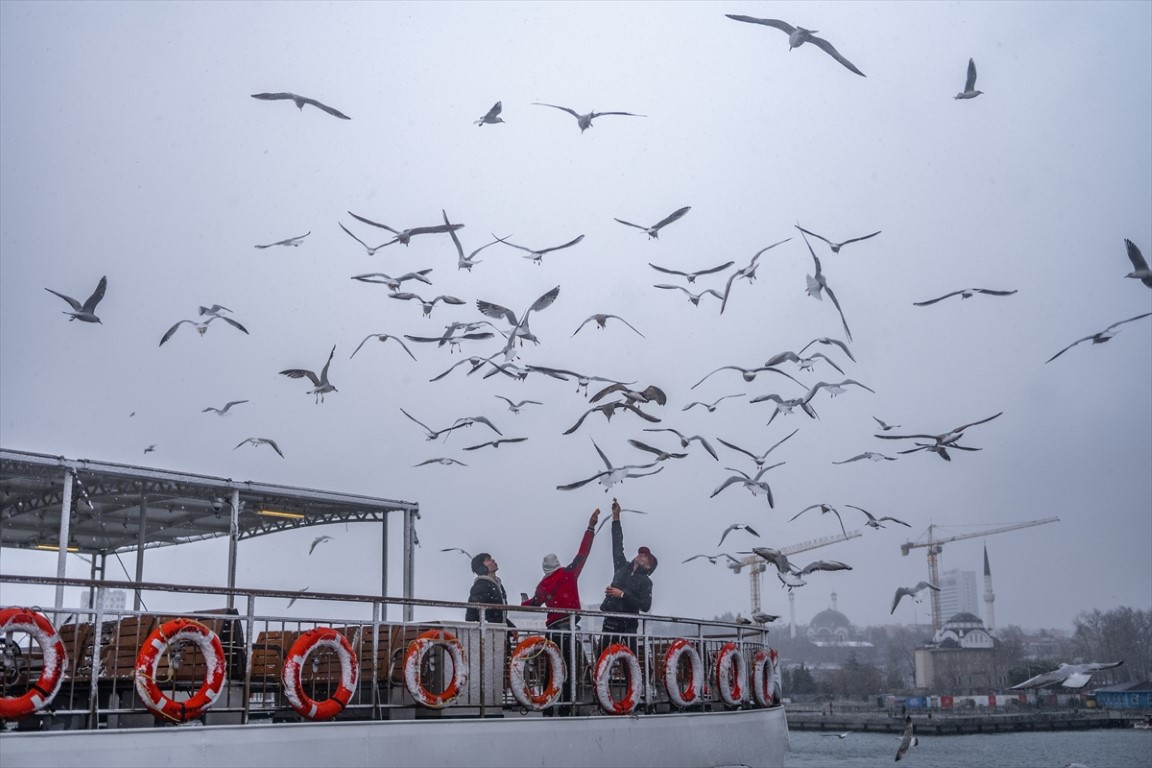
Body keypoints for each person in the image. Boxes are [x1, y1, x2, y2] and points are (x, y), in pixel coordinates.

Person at [521, 507, 600, 714]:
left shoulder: (543, 585)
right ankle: (565, 708)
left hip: (553, 631)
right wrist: (590, 527)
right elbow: (583, 552)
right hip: (569, 628)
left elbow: (534, 604)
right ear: (558, 564)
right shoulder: (569, 573)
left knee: (552, 667)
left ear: (544, 568)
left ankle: (548, 707)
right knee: (568, 668)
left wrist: (522, 603)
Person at [599, 498, 657, 653]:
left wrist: (623, 594)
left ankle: (632, 677)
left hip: (629, 625)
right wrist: (616, 517)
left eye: (645, 555)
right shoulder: (622, 567)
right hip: (610, 621)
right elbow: (617, 544)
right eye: (641, 553)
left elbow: (645, 606)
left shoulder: (646, 582)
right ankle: (599, 678)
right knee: (602, 659)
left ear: (648, 565)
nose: (641, 554)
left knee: (630, 662)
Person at [465, 552, 515, 629]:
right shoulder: (480, 585)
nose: (493, 560)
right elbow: (484, 614)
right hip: (485, 632)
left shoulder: (497, 585)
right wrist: (500, 628)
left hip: (495, 631)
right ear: (482, 568)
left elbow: (498, 614)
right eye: (488, 560)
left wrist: (510, 628)